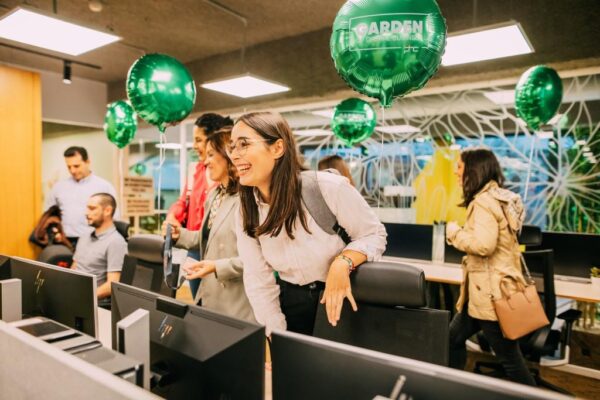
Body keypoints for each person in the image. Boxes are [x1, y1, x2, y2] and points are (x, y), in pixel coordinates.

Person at [229, 112, 387, 335]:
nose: (235, 155)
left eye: (243, 144)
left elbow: (374, 234)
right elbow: (258, 281)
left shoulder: (326, 187)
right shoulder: (246, 210)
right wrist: (274, 335)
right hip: (291, 302)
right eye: (232, 147)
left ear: (277, 148)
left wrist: (343, 262)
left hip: (343, 295)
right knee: (294, 366)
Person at [445, 147, 536, 386]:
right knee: (450, 339)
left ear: (473, 170)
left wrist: (454, 233)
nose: (456, 172)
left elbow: (484, 245)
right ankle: (450, 387)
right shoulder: (501, 198)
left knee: (511, 362)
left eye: (460, 167)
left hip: (490, 296)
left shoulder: (483, 203)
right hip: (484, 293)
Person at [164, 128, 255, 323]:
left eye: (211, 154)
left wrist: (216, 266)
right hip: (209, 296)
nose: (205, 161)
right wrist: (179, 235)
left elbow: (257, 261)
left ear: (228, 156)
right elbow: (207, 239)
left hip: (235, 303)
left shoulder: (248, 199)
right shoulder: (214, 196)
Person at [166, 113, 233, 298]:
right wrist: (173, 217)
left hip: (222, 249)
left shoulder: (227, 182)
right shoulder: (196, 170)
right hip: (195, 243)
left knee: (221, 294)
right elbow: (184, 201)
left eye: (199, 140)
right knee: (200, 296)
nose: (195, 146)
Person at [44, 146, 118, 248]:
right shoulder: (58, 187)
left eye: (76, 166)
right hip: (64, 242)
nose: (72, 171)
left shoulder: (104, 186)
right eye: (69, 167)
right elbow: (48, 214)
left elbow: (114, 217)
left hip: (94, 241)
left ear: (87, 162)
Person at [71, 193, 127, 306]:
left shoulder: (116, 242)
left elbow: (112, 283)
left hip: (93, 302)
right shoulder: (84, 236)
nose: (86, 213)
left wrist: (83, 298)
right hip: (73, 294)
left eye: (92, 208)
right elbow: (75, 266)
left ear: (107, 211)